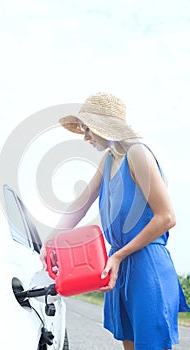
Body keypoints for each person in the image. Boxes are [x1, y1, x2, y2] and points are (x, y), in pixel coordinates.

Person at [40, 92, 190, 350]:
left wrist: (119, 255)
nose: (85, 136)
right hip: (119, 264)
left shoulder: (137, 154)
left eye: (87, 129)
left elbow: (166, 217)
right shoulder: (109, 159)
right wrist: (49, 241)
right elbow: (80, 205)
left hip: (146, 264)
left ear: (103, 126)